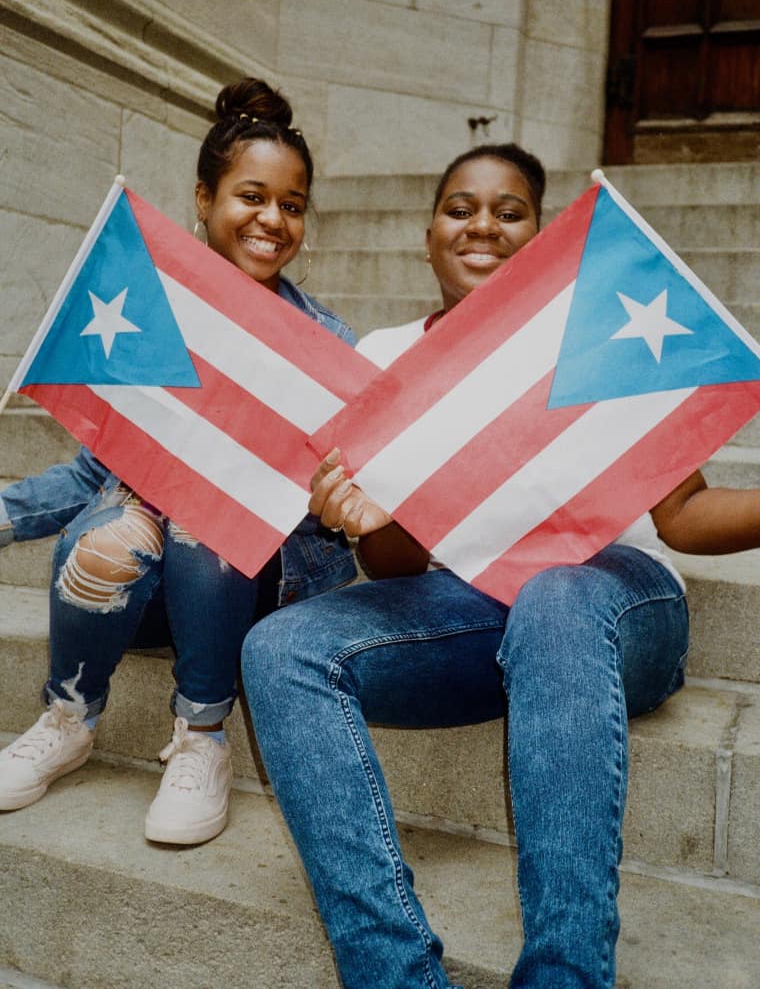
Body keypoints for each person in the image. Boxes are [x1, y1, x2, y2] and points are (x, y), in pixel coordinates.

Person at [242, 142, 760, 988]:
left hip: (613, 600)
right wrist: (371, 515)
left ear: (542, 234)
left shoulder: (599, 333)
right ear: (428, 233)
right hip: (471, 610)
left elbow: (688, 517)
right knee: (278, 648)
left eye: (509, 210)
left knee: (557, 597)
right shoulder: (386, 357)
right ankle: (392, 973)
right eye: (459, 207)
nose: (482, 224)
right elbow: (394, 561)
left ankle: (564, 973)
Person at [0, 77, 356, 846]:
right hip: (145, 581)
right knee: (114, 532)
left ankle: (202, 738)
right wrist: (5, 514)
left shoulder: (322, 346)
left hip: (251, 583)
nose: (271, 220)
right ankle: (68, 717)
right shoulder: (154, 325)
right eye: (251, 196)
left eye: (291, 206)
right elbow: (93, 472)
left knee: (207, 511)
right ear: (203, 199)